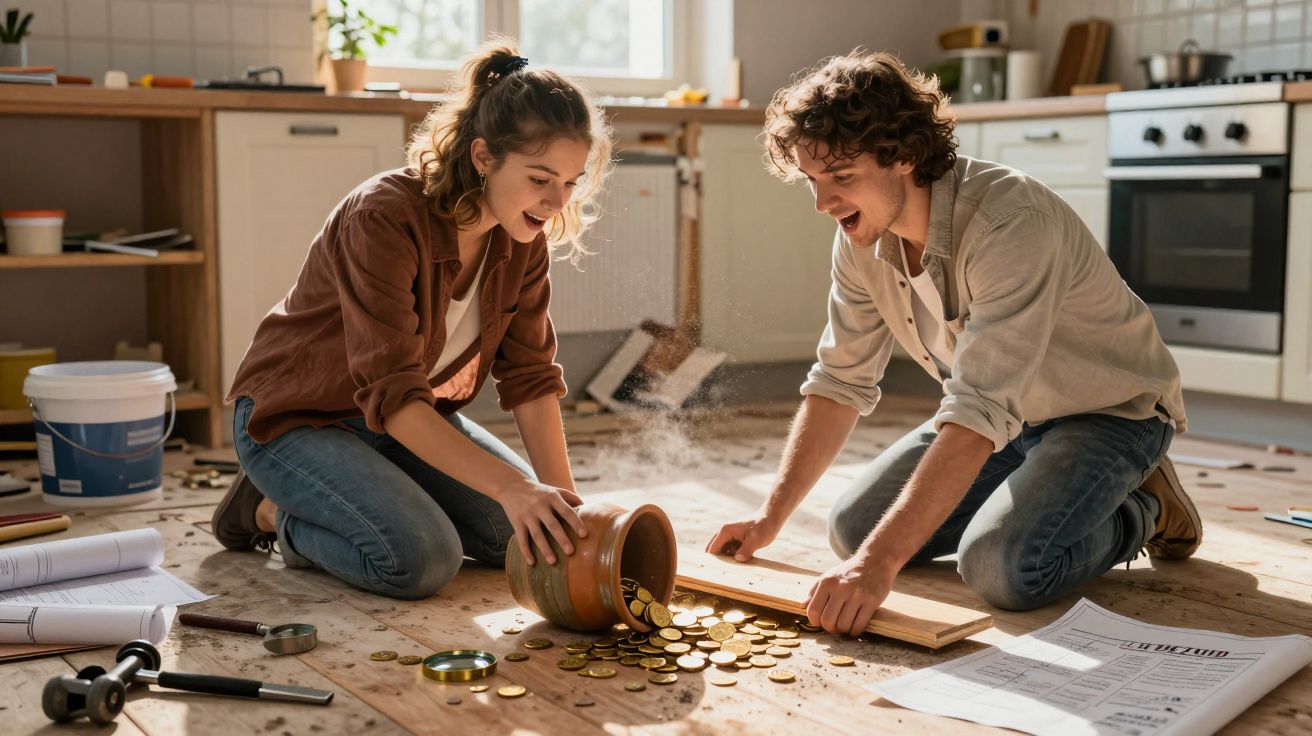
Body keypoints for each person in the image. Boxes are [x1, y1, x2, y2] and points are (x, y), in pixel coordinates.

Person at [707, 50, 1201, 634]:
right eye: (812, 181)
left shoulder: (1011, 223)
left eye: (842, 178)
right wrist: (769, 518)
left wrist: (876, 566)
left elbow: (976, 408)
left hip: (1107, 413)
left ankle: (1141, 506)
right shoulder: (859, 239)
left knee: (1003, 568)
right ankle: (1051, 494)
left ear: (906, 157)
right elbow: (840, 381)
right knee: (850, 530)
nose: (823, 203)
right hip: (1003, 423)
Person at [212, 42, 613, 600]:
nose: (554, 201)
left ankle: (355, 494)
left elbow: (530, 376)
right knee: (422, 559)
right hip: (299, 419)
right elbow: (396, 395)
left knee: (520, 537)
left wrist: (568, 512)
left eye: (569, 183)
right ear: (481, 156)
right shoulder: (384, 215)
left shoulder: (524, 239)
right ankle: (267, 511)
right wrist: (518, 488)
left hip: (399, 421)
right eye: (540, 178)